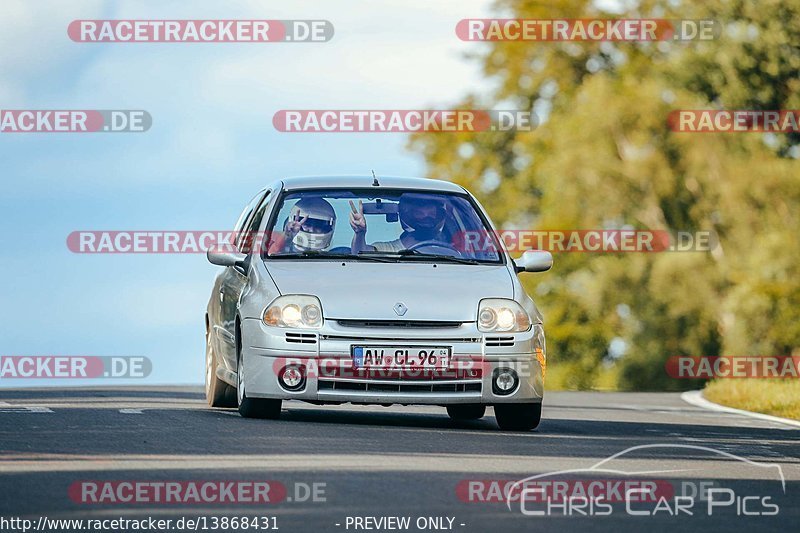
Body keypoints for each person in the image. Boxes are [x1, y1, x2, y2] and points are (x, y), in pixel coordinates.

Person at [350, 193, 447, 254]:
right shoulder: (387, 249)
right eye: (420, 213)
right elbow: (360, 254)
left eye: (431, 214)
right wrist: (360, 233)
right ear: (408, 215)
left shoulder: (447, 252)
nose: (426, 217)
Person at [268, 197, 336, 254]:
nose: (311, 229)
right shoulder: (282, 254)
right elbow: (274, 252)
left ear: (327, 227)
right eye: (307, 223)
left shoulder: (338, 258)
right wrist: (287, 236)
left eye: (318, 225)